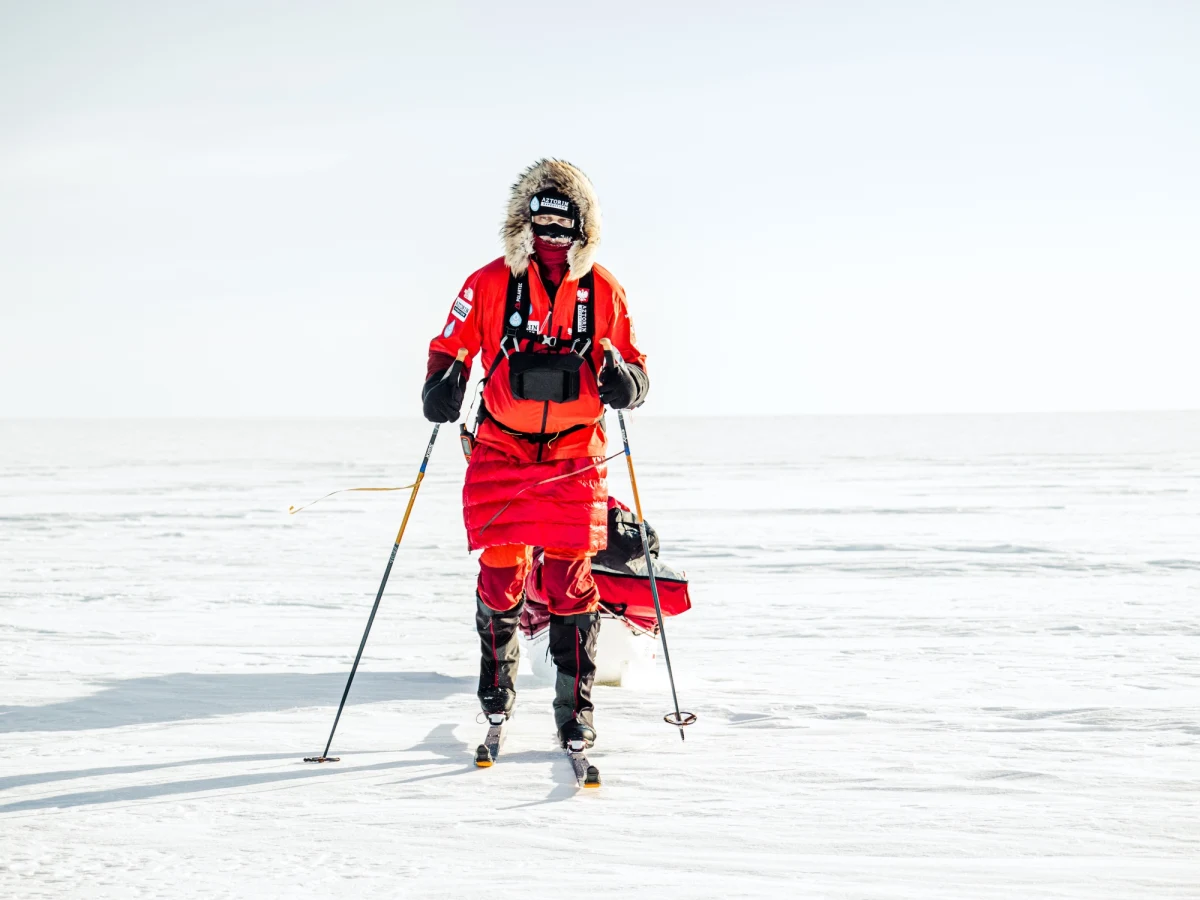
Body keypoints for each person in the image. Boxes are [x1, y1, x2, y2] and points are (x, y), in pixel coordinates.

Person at [421, 159, 648, 749]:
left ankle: (576, 711)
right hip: (501, 448)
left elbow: (633, 362)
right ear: (524, 222)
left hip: (576, 453)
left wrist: (628, 382)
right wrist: (441, 382)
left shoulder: (604, 289)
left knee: (571, 580)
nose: (552, 235)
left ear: (582, 228)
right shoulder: (488, 283)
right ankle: (496, 691)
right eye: (542, 223)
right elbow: (451, 342)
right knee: (501, 574)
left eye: (563, 225)